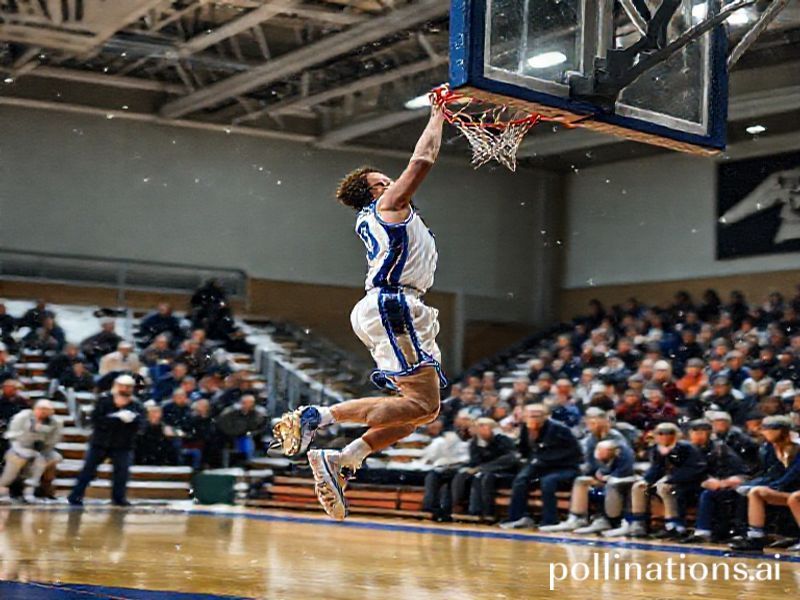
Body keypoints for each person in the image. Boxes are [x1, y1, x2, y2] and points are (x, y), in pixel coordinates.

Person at [271, 102, 447, 520]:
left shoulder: (384, 215)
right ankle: (318, 417)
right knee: (422, 405)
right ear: (372, 193)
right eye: (381, 182)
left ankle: (346, 457)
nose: (390, 182)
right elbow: (422, 160)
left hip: (393, 306)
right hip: (393, 303)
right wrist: (438, 115)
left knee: (426, 410)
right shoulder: (386, 208)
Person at [539, 408, 635, 534]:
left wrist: (605, 475)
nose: (590, 426)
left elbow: (625, 464)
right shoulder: (591, 439)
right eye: (589, 423)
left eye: (594, 423)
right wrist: (593, 474)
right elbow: (589, 464)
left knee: (602, 488)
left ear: (604, 422)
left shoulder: (617, 439)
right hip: (600, 476)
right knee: (581, 481)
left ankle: (605, 520)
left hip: (619, 477)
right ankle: (577, 518)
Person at [605, 422, 707, 539]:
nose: (663, 436)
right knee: (639, 487)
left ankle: (674, 524)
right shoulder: (657, 449)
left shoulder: (686, 448)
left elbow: (696, 469)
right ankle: (638, 523)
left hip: (687, 484)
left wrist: (670, 479)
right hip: (665, 481)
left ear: (675, 435)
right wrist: (647, 480)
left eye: (668, 433)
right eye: (660, 434)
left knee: (664, 488)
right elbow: (656, 469)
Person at [500, 404, 582, 529]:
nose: (533, 418)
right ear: (525, 416)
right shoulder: (525, 428)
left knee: (548, 481)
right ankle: (518, 517)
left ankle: (550, 521)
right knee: (520, 479)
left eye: (537, 416)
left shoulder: (560, 429)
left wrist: (539, 460)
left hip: (564, 467)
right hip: (540, 465)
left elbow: (574, 453)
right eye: (530, 415)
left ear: (545, 417)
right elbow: (523, 449)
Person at [68, 375, 144, 507]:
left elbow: (141, 425)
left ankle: (119, 498)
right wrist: (116, 418)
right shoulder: (104, 400)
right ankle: (75, 496)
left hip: (123, 444)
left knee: (121, 474)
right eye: (122, 386)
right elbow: (96, 420)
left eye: (128, 387)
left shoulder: (136, 404)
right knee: (88, 471)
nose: (125, 389)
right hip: (100, 443)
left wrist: (131, 420)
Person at [730, 415, 800, 552]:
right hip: (786, 488)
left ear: (783, 431)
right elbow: (770, 473)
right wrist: (751, 484)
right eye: (765, 429)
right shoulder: (768, 447)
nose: (766, 432)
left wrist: (775, 486)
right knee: (756, 492)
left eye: (771, 429)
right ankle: (756, 537)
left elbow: (795, 473)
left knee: (794, 498)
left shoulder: (797, 446)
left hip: (794, 487)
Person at [678, 420, 748, 544]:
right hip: (694, 482)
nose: (699, 435)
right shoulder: (685, 449)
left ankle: (703, 532)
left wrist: (727, 481)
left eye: (703, 432)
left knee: (709, 494)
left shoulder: (721, 448)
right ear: (689, 433)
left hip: (721, 484)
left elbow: (740, 470)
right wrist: (703, 480)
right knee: (676, 490)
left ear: (709, 433)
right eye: (695, 432)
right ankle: (676, 527)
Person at [450, 418, 517, 521]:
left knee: (482, 476)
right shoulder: (475, 442)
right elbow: (474, 461)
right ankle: (458, 507)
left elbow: (509, 460)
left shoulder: (504, 440)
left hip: (504, 472)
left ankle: (486, 512)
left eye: (483, 426)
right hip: (483, 471)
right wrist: (465, 468)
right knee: (461, 474)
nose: (480, 429)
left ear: (493, 428)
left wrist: (480, 468)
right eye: (478, 426)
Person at [0, 400, 62, 502]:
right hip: (18, 448)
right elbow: (12, 436)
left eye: (47, 410)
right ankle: (2, 488)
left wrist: (41, 449)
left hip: (40, 451)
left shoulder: (56, 422)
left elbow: (53, 440)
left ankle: (29, 491)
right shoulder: (22, 417)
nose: (43, 412)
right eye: (41, 409)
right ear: (35, 409)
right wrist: (23, 450)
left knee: (47, 460)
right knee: (14, 463)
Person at [421, 413, 472, 521]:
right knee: (433, 476)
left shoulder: (474, 439)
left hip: (463, 467)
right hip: (447, 466)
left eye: (466, 420)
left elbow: (470, 459)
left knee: (454, 478)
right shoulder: (449, 436)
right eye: (461, 420)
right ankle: (430, 509)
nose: (463, 424)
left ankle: (450, 510)